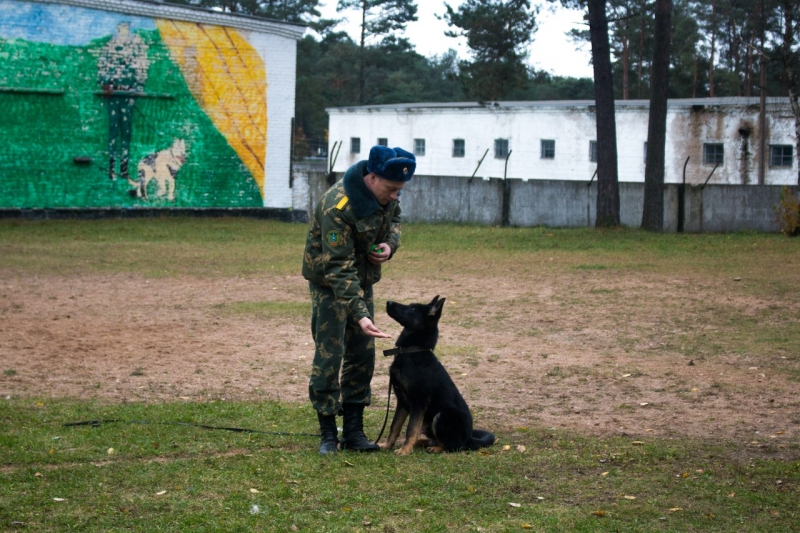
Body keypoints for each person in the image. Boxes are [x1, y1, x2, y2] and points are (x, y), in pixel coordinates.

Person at [302, 145, 416, 454]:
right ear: (372, 177)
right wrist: (361, 314)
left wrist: (389, 245)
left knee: (362, 355)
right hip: (330, 285)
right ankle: (328, 433)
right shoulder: (337, 207)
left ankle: (353, 431)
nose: (395, 196)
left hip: (362, 282)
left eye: (399, 190)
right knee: (330, 355)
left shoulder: (387, 195)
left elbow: (395, 221)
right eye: (391, 189)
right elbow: (338, 267)